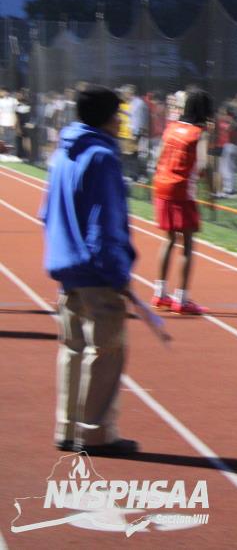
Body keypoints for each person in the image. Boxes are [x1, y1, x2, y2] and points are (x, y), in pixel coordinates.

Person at [40, 86, 139, 455]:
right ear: (109, 117)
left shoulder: (61, 153)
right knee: (106, 350)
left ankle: (67, 428)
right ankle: (96, 434)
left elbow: (46, 213)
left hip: (68, 270)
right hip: (97, 272)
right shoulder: (102, 157)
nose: (121, 121)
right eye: (119, 115)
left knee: (73, 349)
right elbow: (106, 224)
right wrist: (118, 273)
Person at [151, 89, 214, 315]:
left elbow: (158, 158)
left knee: (168, 239)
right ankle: (182, 298)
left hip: (162, 186)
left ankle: (159, 293)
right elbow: (204, 166)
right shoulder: (200, 133)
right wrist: (210, 192)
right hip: (182, 190)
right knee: (187, 243)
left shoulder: (171, 128)